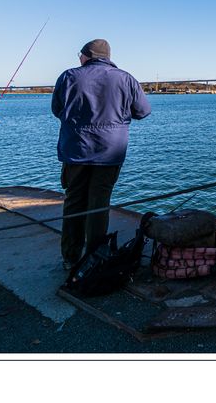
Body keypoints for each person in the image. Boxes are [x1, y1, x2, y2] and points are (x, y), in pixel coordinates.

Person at [52, 39, 151, 270]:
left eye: (80, 54)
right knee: (99, 202)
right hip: (110, 150)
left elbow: (57, 109)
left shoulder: (68, 76)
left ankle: (70, 256)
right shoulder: (126, 78)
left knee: (74, 199)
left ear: (87, 55)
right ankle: (94, 257)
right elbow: (143, 111)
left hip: (76, 149)